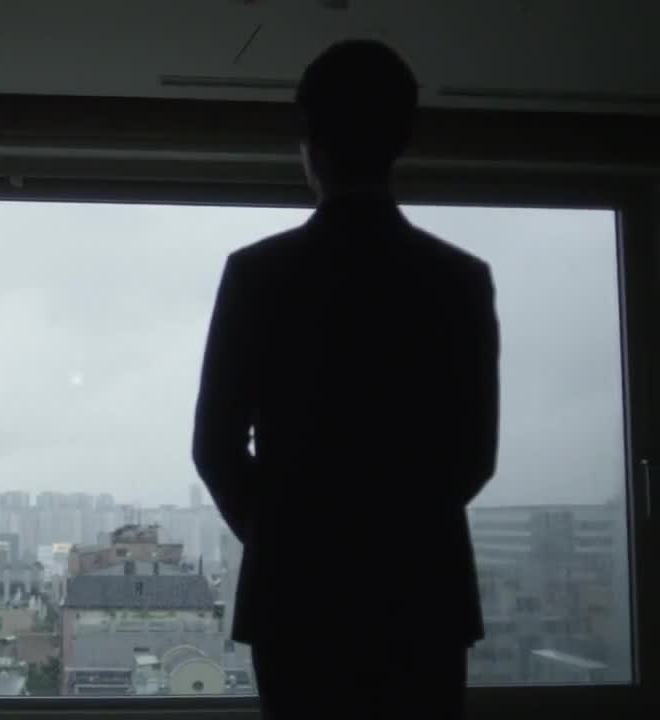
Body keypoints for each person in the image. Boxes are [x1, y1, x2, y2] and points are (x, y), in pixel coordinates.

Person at [192, 40, 499, 720]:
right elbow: (473, 455)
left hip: (296, 597)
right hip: (422, 594)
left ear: (308, 140)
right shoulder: (458, 280)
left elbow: (215, 447)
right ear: (404, 137)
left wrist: (285, 537)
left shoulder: (258, 275)